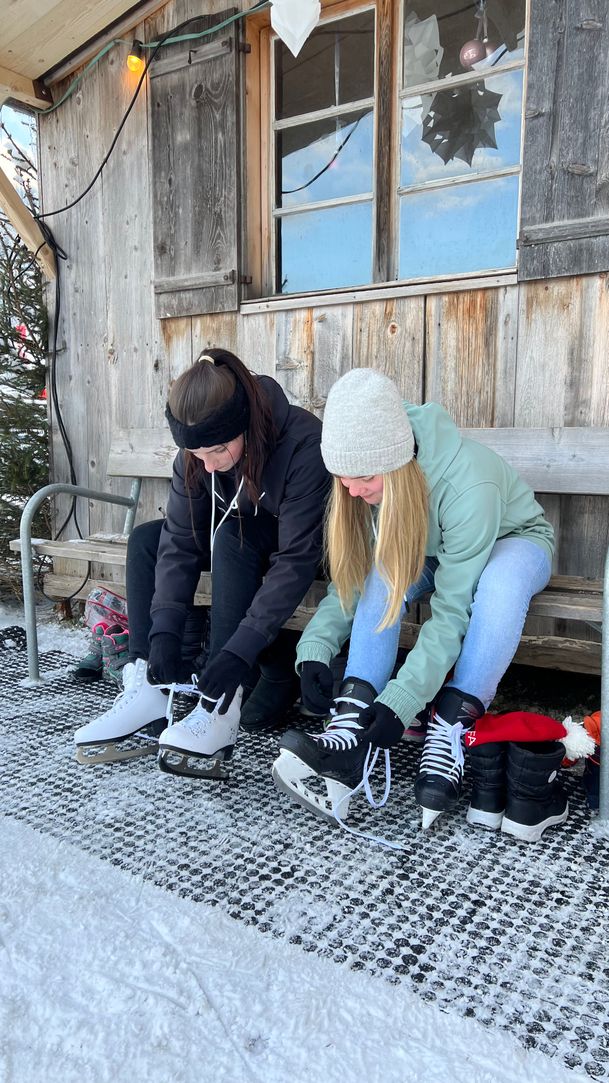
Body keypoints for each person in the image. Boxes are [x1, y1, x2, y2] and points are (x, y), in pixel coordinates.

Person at [272, 368, 556, 832]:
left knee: (500, 585)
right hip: (438, 550)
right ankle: (351, 724)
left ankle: (452, 721)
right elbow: (357, 580)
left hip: (513, 542)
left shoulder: (468, 484)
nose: (352, 490)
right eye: (342, 478)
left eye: (362, 479)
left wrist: (402, 701)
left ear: (394, 464)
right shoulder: (369, 486)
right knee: (384, 574)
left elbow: (451, 613)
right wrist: (315, 648)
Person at [74, 348, 330, 775]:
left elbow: (298, 559)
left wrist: (237, 654)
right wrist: (163, 635)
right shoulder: (197, 456)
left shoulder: (303, 443)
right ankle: (148, 689)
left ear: (242, 426)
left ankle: (222, 703)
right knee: (146, 541)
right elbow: (179, 540)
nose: (206, 465)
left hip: (299, 548)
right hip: (236, 540)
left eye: (216, 451)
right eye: (196, 454)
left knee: (233, 535)